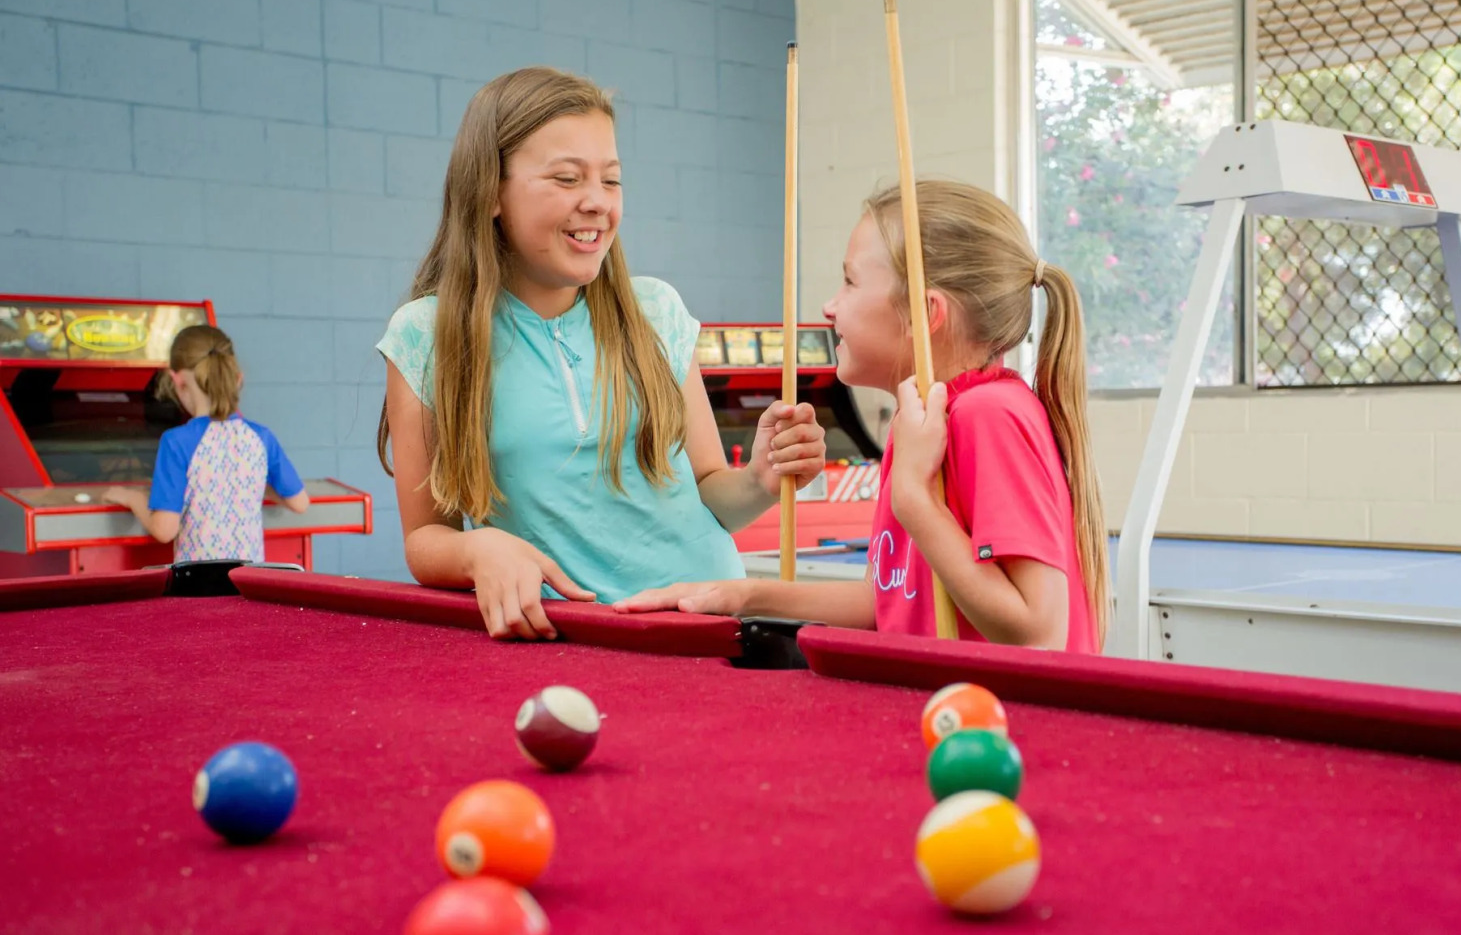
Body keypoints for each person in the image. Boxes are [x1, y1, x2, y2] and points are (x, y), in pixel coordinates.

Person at [376, 66, 825, 640]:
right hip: (570, 643)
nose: (596, 202)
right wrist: (477, 549)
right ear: (490, 191)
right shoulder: (424, 335)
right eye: (566, 178)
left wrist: (761, 479)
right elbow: (424, 540)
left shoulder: (656, 311)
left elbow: (712, 492)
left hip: (711, 629)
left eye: (611, 181)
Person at [617, 179, 1110, 654]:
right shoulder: (920, 419)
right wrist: (738, 596)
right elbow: (890, 604)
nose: (830, 306)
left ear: (925, 313)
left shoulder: (987, 414)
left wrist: (915, 498)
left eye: (850, 281)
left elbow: (1038, 632)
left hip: (1005, 735)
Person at [104, 325, 309, 562]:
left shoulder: (176, 441)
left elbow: (164, 529)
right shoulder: (261, 436)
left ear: (177, 381)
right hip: (250, 584)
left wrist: (133, 498)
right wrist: (245, 479)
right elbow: (300, 502)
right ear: (237, 378)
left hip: (200, 589)